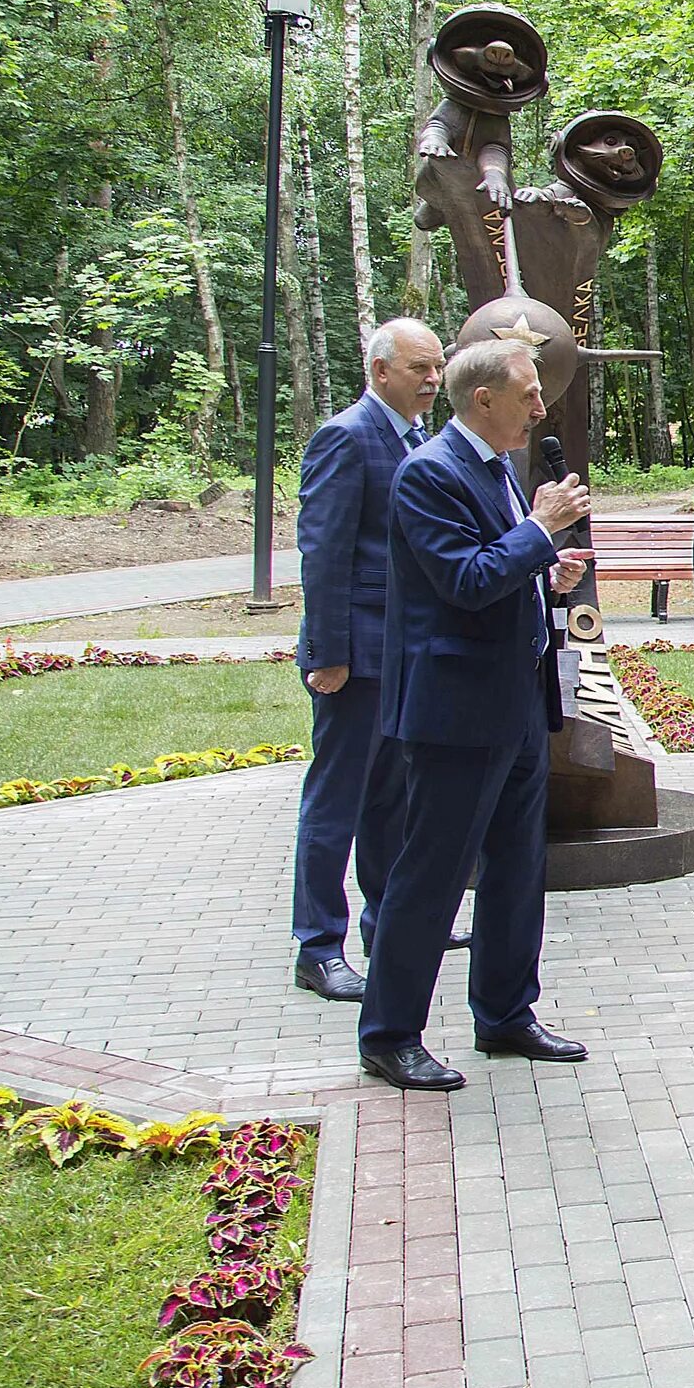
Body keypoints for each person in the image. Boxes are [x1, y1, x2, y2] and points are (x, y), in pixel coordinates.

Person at [357, 337, 595, 1092]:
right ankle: (390, 1033)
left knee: (518, 869)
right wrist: (539, 530)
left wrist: (545, 573)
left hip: (517, 700)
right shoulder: (429, 474)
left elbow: (498, 570)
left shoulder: (497, 466)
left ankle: (504, 1014)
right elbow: (461, 580)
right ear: (482, 399)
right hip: (456, 711)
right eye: (527, 393)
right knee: (431, 877)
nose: (540, 406)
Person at [289, 316, 444, 1004]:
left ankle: (390, 928)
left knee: (393, 802)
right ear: (381, 371)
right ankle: (319, 946)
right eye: (420, 368)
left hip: (407, 655)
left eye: (438, 367)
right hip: (356, 658)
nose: (433, 380)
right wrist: (327, 654)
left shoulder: (423, 440)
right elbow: (323, 553)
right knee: (338, 803)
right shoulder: (346, 437)